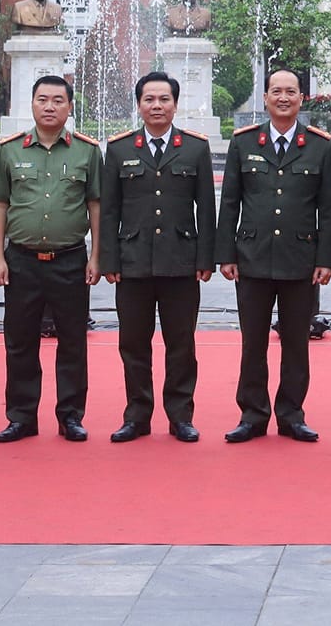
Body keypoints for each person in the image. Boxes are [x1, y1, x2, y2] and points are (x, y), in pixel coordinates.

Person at [218, 66, 331, 442]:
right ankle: (252, 415)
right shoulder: (244, 142)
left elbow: (329, 209)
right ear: (266, 98)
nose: (283, 97)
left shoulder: (319, 145)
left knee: (296, 344)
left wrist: (326, 259)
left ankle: (291, 415)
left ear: (301, 98)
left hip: (300, 259)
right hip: (251, 258)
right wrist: (226, 254)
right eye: (276, 91)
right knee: (253, 343)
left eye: (290, 91)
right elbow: (230, 202)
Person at [0, 75, 102, 442]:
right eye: (42, 99)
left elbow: (95, 205)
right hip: (22, 261)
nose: (49, 107)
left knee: (72, 342)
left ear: (70, 107)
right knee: (20, 342)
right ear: (32, 104)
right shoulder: (10, 150)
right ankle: (21, 417)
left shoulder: (87, 151)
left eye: (57, 100)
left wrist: (96, 256)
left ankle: (70, 416)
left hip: (70, 260)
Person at [101, 71, 213, 444]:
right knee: (133, 344)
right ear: (139, 104)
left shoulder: (194, 148)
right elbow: (109, 211)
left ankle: (180, 416)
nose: (157, 106)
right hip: (132, 263)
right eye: (149, 99)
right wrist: (109, 261)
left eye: (164, 99)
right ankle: (137, 416)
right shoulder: (120, 149)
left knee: (181, 345)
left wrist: (205, 259)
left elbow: (206, 210)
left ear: (175, 104)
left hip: (181, 262)